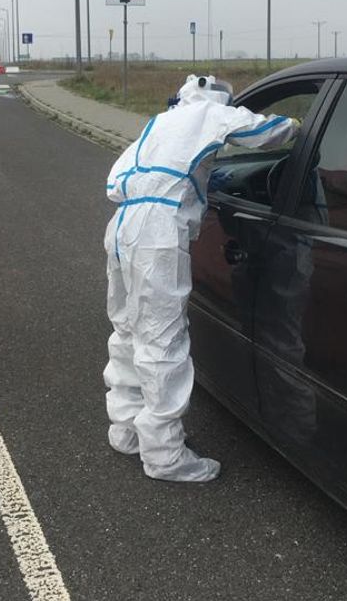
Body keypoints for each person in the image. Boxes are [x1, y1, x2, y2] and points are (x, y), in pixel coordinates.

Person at [103, 74, 300, 482]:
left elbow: (118, 178)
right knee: (163, 337)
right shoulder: (211, 113)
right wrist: (300, 126)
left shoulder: (159, 122)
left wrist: (204, 178)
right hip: (157, 230)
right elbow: (269, 132)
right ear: (218, 98)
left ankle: (125, 428)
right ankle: (164, 455)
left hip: (122, 224)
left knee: (127, 330)